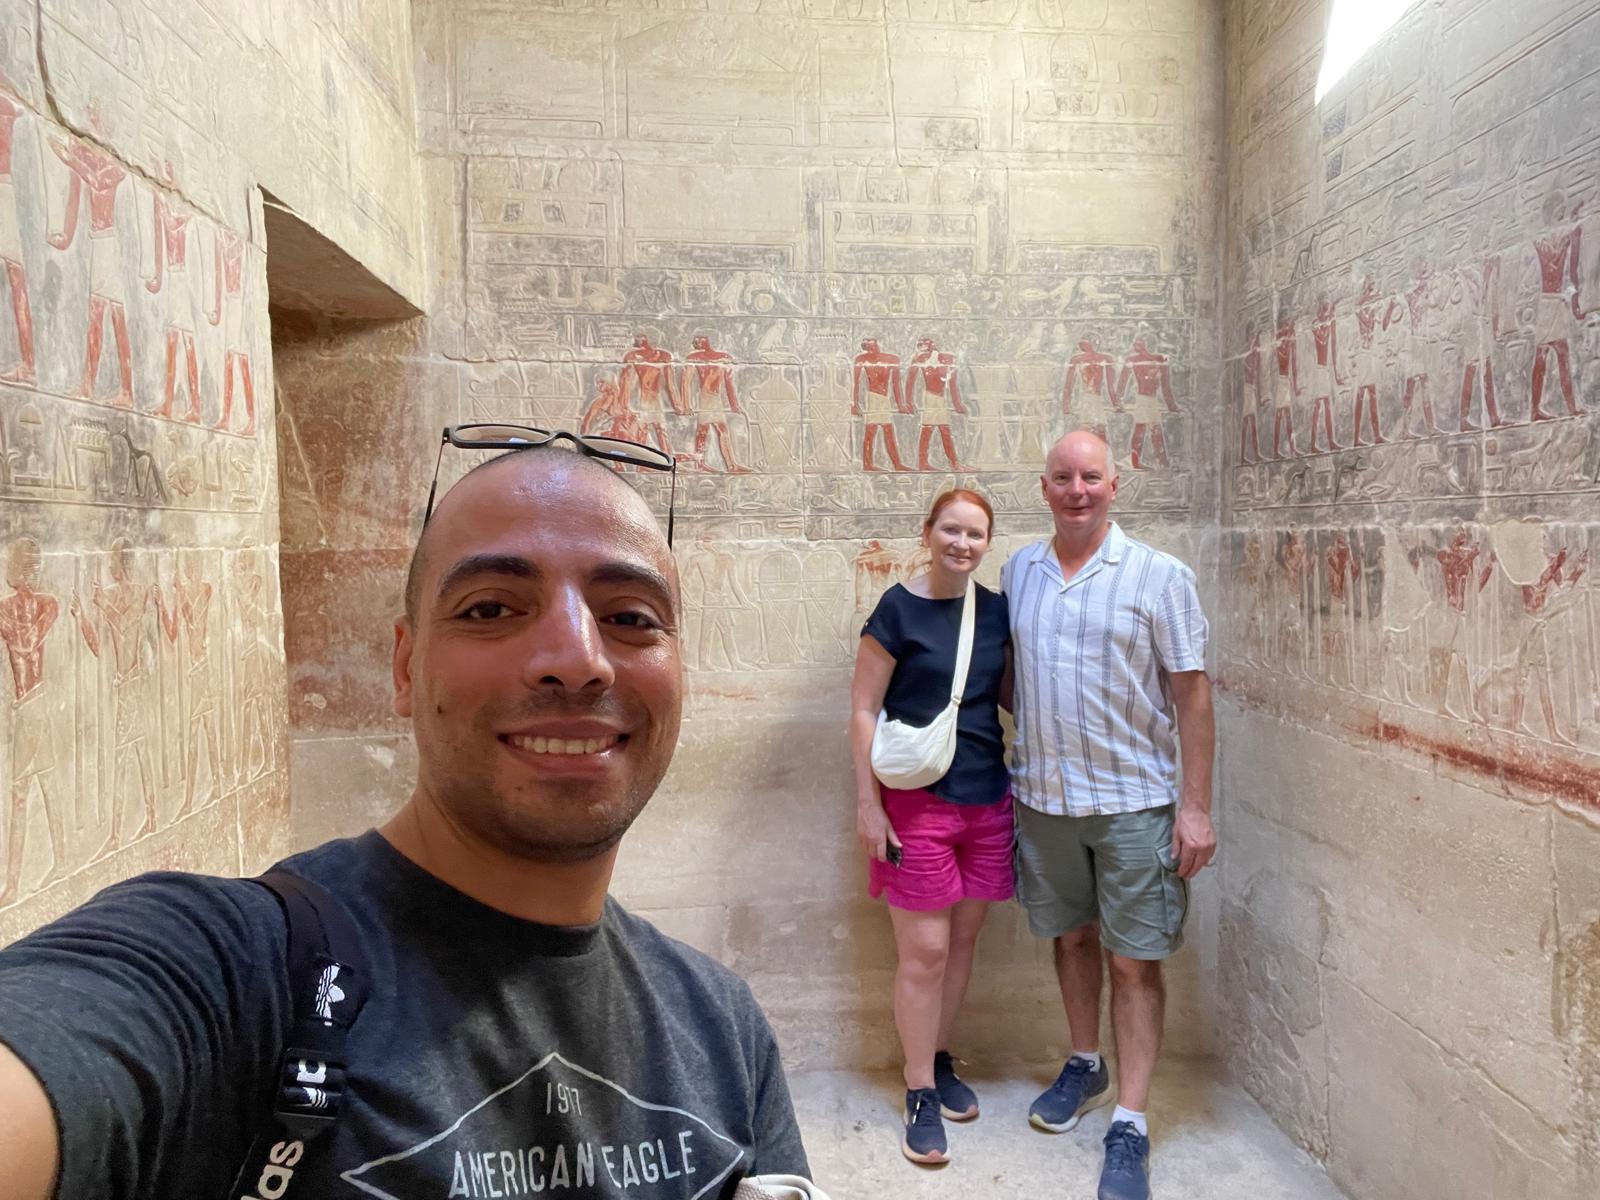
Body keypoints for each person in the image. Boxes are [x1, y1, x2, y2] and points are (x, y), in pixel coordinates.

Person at [0, 434, 810, 1199]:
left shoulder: (724, 1029)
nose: (577, 658)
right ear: (405, 664)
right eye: (491, 608)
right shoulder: (228, 967)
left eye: (631, 616)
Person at [1001, 432, 1216, 1200]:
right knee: (1071, 935)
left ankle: (1130, 1119)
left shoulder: (1160, 576)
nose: (1077, 490)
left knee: (1134, 958)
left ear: (1114, 485)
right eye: (1063, 477)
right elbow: (1013, 678)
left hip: (1133, 802)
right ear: (1044, 485)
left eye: (1090, 476)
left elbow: (1192, 695)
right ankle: (1086, 1063)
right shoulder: (1019, 570)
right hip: (1047, 799)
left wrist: (1194, 807)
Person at [849, 489, 1013, 1166]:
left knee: (962, 943)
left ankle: (938, 1057)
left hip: (988, 800)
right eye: (951, 530)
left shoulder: (997, 611)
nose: (962, 543)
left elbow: (1010, 696)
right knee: (924, 955)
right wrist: (868, 805)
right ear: (928, 533)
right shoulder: (897, 609)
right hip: (917, 807)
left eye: (975, 534)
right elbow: (863, 709)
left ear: (986, 543)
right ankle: (919, 1089)